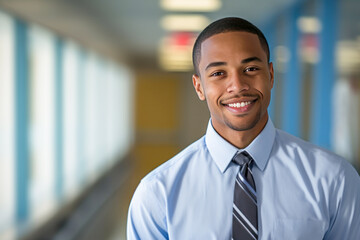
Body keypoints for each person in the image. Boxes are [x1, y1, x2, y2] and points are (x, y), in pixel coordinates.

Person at [127, 17, 360, 239]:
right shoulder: (158, 193)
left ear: (270, 75)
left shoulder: (333, 178)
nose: (237, 86)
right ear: (199, 87)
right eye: (218, 73)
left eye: (250, 69)